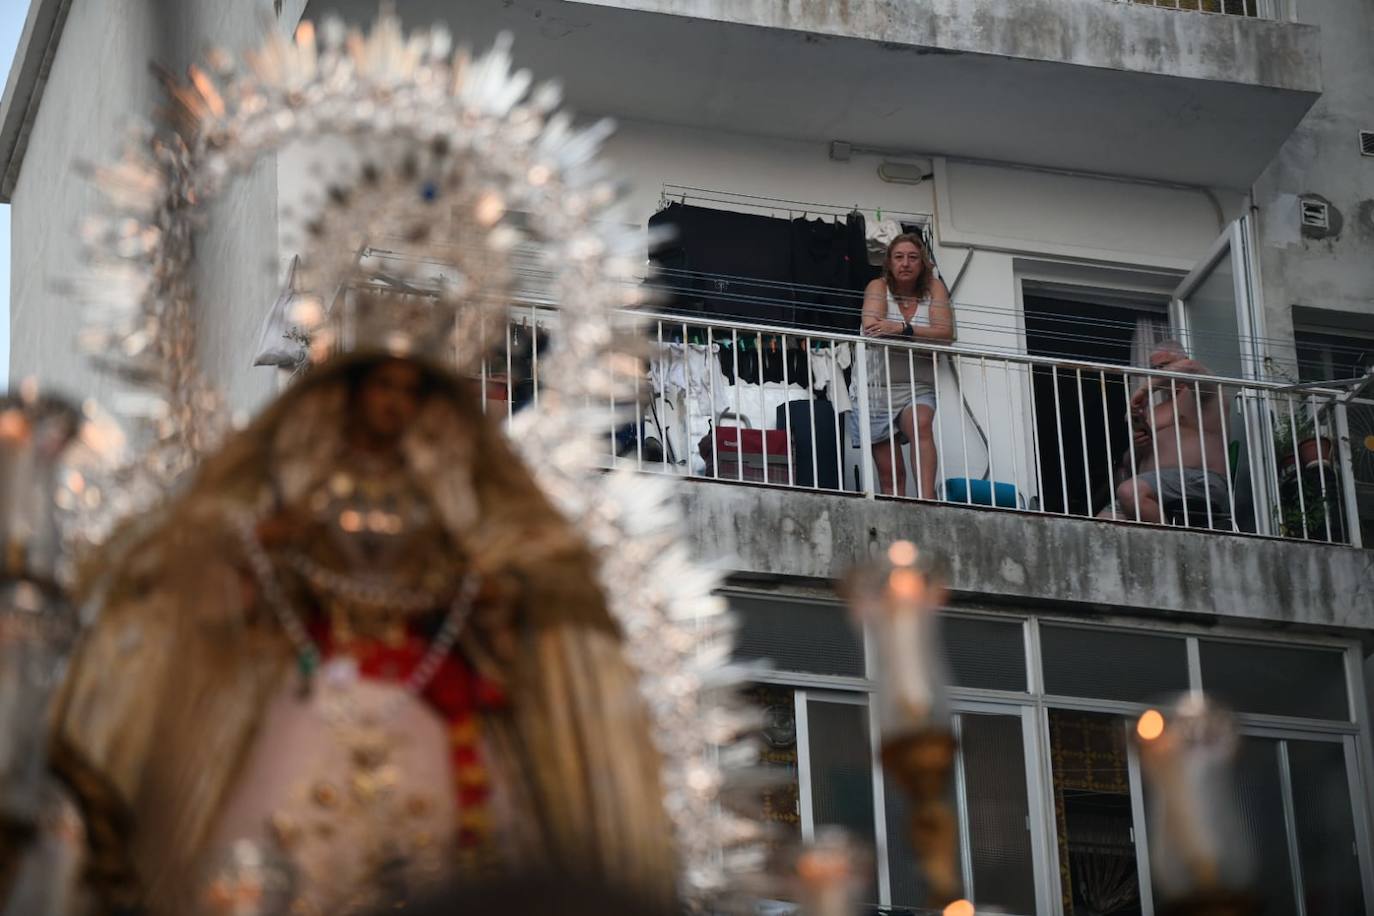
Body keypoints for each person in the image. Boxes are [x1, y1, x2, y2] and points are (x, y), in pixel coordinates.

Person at [43, 349, 676, 915]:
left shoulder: (448, 493)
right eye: (382, 388)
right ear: (351, 396)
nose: (394, 403)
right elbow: (205, 562)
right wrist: (268, 540)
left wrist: (486, 588)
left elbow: (507, 578)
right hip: (316, 690)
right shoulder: (301, 480)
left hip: (426, 695)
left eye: (408, 391)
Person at [851, 233, 954, 498]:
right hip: (875, 389)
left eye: (912, 257)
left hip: (917, 385)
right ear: (889, 263)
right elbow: (872, 327)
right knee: (892, 477)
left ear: (923, 264)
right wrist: (920, 337)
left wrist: (901, 329)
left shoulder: (935, 288)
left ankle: (927, 503)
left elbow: (945, 334)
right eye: (898, 257)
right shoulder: (878, 286)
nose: (905, 263)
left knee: (921, 424)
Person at [1101, 342, 1230, 524]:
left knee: (1129, 491)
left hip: (1200, 482)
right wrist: (1138, 447)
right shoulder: (1154, 411)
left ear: (1183, 360)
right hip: (1150, 488)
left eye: (1165, 366)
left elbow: (1191, 368)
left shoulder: (1204, 395)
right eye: (1155, 369)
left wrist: (1145, 389)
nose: (1159, 373)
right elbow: (1129, 465)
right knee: (1100, 523)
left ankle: (1174, 549)